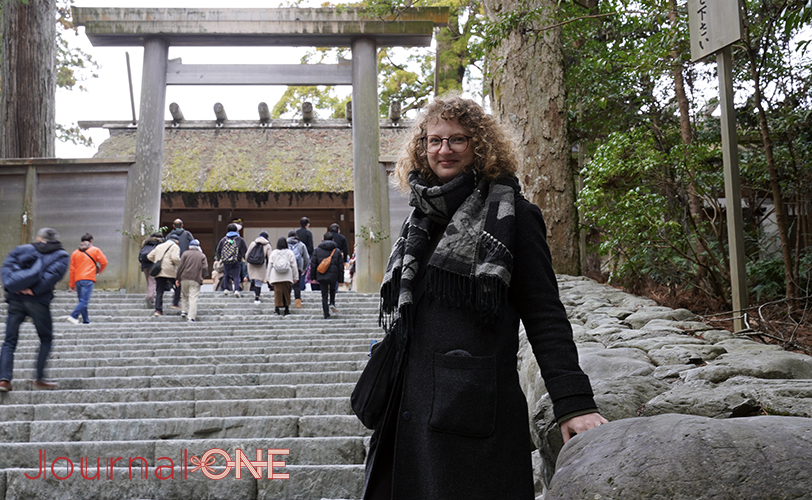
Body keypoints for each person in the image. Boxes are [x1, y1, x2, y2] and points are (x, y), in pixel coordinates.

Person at [362, 95, 607, 499]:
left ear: (480, 145)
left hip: (473, 411)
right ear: (421, 147)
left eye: (457, 140)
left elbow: (544, 313)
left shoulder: (514, 216)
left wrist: (574, 402)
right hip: (406, 411)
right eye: (434, 140)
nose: (444, 150)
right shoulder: (418, 220)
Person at [0, 228, 70, 391]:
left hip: (16, 300)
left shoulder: (23, 249)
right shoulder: (61, 255)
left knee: (10, 340)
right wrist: (33, 290)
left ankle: (4, 379)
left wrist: (14, 287)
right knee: (46, 338)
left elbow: (7, 269)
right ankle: (39, 378)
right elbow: (52, 276)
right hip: (37, 302)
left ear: (39, 238)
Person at [66, 233, 108, 325]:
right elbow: (104, 262)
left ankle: (86, 320)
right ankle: (74, 316)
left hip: (78, 279)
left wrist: (71, 284)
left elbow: (72, 270)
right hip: (88, 278)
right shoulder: (95, 250)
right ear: (91, 241)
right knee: (84, 301)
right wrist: (99, 271)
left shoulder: (75, 253)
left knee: (82, 300)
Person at [309, 232, 343, 319]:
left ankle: (326, 314)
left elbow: (313, 264)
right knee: (332, 290)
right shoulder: (337, 251)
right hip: (333, 275)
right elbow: (340, 266)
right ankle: (332, 302)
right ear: (333, 240)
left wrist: (313, 277)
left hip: (322, 274)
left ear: (323, 239)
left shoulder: (317, 250)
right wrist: (340, 280)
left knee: (324, 294)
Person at [147, 233, 181, 316]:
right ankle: (175, 303)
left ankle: (158, 310)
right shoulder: (175, 247)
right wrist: (180, 263)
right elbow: (175, 258)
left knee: (159, 291)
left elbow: (149, 256)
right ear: (176, 242)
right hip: (169, 270)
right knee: (178, 285)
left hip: (159, 271)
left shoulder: (159, 246)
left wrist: (157, 261)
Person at [175, 239, 208, 322]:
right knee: (193, 297)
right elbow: (205, 267)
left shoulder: (185, 254)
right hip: (195, 278)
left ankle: (184, 311)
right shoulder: (202, 255)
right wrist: (201, 276)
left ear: (189, 247)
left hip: (184, 278)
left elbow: (180, 267)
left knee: (184, 295)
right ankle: (191, 317)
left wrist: (177, 278)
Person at [167, 219, 195, 309]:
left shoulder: (169, 236)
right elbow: (193, 245)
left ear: (173, 226)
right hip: (185, 261)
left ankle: (175, 300)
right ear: (182, 225)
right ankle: (184, 301)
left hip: (172, 261)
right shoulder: (187, 234)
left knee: (175, 281)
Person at [267, 236, 298, 316]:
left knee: (277, 293)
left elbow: (270, 265)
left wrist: (268, 278)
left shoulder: (274, 253)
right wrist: (295, 277)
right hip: (287, 276)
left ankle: (277, 309)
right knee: (287, 293)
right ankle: (286, 309)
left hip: (276, 276)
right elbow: (294, 265)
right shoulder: (289, 252)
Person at [215, 223, 247, 298]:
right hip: (236, 260)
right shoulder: (240, 239)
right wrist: (242, 258)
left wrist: (222, 258)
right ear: (236, 230)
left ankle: (226, 289)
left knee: (226, 274)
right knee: (236, 275)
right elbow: (244, 250)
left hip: (226, 261)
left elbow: (218, 250)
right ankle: (236, 289)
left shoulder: (224, 239)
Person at [246, 231, 272, 304]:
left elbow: (247, 254)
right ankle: (257, 298)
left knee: (253, 280)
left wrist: (247, 262)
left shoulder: (252, 243)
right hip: (261, 265)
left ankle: (253, 294)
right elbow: (270, 257)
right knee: (258, 282)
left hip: (251, 264)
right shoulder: (267, 245)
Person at [139, 232, 164, 307]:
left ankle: (150, 296)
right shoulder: (159, 245)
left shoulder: (146, 243)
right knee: (153, 281)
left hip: (145, 265)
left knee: (149, 281)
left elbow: (140, 255)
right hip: (154, 264)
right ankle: (150, 296)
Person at [287, 230, 310, 308]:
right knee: (297, 286)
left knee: (287, 285)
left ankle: (287, 301)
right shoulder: (301, 244)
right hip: (298, 267)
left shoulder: (285, 244)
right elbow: (306, 258)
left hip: (287, 268)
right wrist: (304, 268)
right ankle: (298, 303)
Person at [329, 223, 349, 292]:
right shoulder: (342, 238)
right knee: (337, 272)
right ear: (338, 230)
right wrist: (345, 260)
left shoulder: (328, 237)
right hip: (339, 257)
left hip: (328, 257)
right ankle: (336, 287)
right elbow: (345, 250)